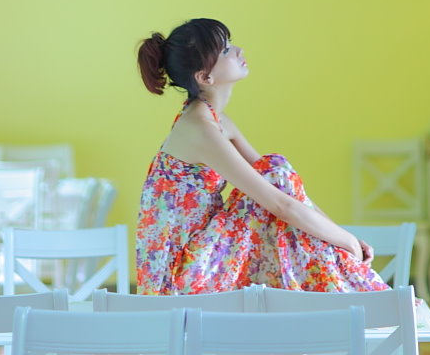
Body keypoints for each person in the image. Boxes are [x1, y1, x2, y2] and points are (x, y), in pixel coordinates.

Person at [136, 17, 389, 295]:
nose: (239, 51)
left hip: (202, 258)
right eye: (225, 50)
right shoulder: (199, 129)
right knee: (275, 172)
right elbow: (280, 204)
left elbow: (289, 193)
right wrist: (347, 241)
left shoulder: (215, 121)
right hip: (178, 278)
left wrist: (341, 236)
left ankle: (344, 283)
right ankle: (351, 289)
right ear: (205, 77)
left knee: (274, 170)